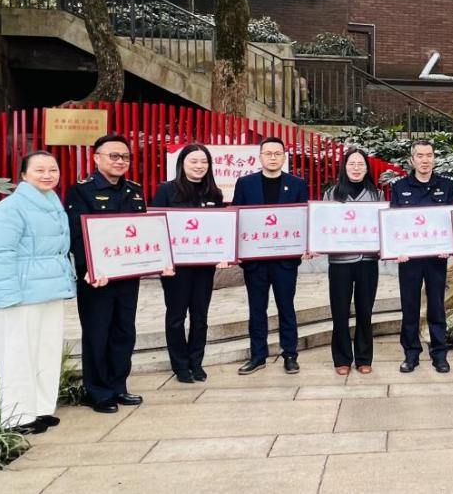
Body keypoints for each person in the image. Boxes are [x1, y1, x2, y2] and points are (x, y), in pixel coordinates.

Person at [0, 151, 76, 434]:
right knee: (17, 355)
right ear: (23, 175)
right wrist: (7, 296)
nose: (47, 175)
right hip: (20, 295)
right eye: (39, 170)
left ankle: (40, 408)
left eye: (52, 169)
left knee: (46, 351)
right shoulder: (10, 208)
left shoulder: (52, 204)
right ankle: (16, 417)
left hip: (49, 290)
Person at [65, 134, 153, 413]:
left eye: (125, 157)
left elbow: (142, 231)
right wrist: (89, 268)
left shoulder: (134, 190)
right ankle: (97, 392)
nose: (120, 161)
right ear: (96, 158)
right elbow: (77, 234)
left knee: (124, 331)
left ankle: (118, 386)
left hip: (127, 275)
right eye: (114, 156)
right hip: (96, 277)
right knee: (97, 332)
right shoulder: (81, 191)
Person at [231, 137, 310, 376]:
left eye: (277, 153)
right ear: (260, 156)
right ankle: (258, 356)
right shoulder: (245, 184)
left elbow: (304, 219)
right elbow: (236, 218)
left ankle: (290, 354)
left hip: (285, 261)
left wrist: (306, 245)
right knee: (257, 309)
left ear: (284, 156)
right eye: (268, 153)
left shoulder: (297, 184)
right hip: (255, 262)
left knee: (286, 307)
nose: (273, 157)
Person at [151, 144, 227, 384]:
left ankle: (196, 362)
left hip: (204, 267)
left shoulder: (214, 193)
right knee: (176, 317)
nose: (199, 166)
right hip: (175, 268)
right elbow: (156, 227)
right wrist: (162, 261)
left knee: (200, 316)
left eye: (204, 162)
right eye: (194, 161)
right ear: (182, 163)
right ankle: (180, 365)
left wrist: (224, 253)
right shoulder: (167, 190)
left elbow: (220, 229)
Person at [390, 140, 453, 374]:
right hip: (409, 260)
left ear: (434, 159)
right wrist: (395, 250)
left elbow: (451, 221)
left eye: (429, 155)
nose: (425, 160)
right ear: (412, 160)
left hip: (436, 258)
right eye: (420, 155)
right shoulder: (399, 187)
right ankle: (411, 354)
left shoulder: (446, 185)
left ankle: (439, 354)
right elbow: (394, 223)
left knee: (436, 307)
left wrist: (448, 246)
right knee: (410, 307)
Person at [322, 148, 382, 375]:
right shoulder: (331, 194)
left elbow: (382, 227)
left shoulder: (376, 196)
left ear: (367, 168)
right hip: (340, 262)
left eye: (360, 164)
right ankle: (342, 358)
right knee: (340, 311)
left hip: (367, 260)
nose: (356, 168)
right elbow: (323, 226)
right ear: (344, 167)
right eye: (351, 164)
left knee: (365, 310)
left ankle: (364, 357)